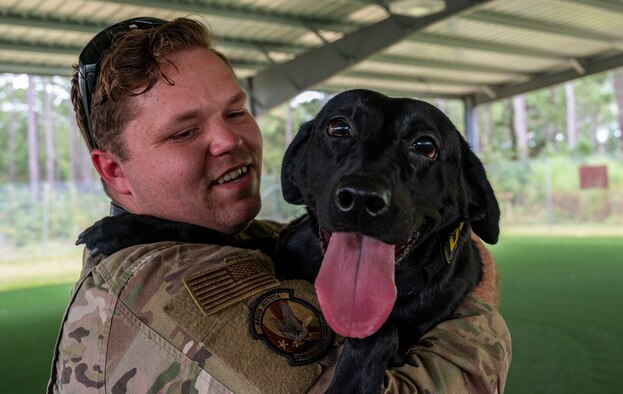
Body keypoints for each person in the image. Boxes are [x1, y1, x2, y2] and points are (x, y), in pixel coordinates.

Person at [48, 16, 511, 393]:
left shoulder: (252, 241)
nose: (229, 140)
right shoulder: (165, 297)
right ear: (114, 172)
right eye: (184, 131)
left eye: (235, 112)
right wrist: (480, 306)